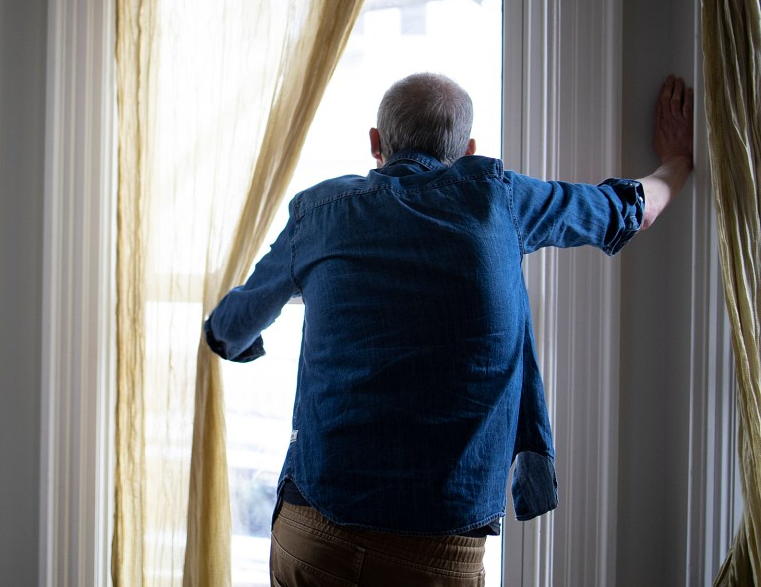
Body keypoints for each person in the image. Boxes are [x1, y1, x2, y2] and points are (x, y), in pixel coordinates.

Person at [203, 73, 694, 586]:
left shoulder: (319, 212)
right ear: (468, 150)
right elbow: (630, 210)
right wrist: (677, 162)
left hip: (313, 535)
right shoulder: (501, 200)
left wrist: (230, 336)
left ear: (375, 143)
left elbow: (232, 326)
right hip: (437, 553)